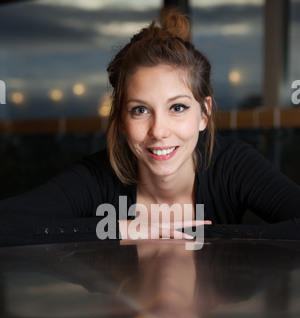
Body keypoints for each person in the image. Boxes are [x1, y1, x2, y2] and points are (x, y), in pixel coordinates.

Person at [0, 11, 300, 247]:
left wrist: (209, 238)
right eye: (140, 110)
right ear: (120, 120)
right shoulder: (98, 178)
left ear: (204, 114)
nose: (159, 131)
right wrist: (118, 229)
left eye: (178, 107)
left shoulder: (232, 165)